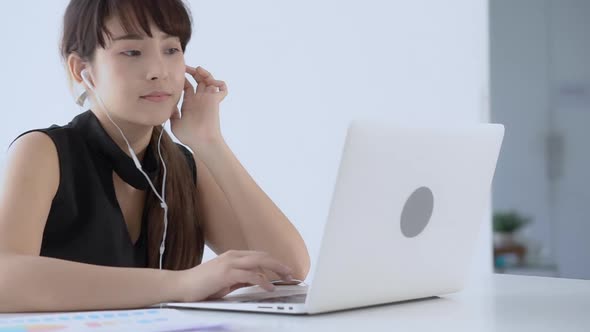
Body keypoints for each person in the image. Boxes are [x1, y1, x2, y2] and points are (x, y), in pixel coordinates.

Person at [0, 0, 309, 313]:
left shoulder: (183, 166)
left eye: (171, 50)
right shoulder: (44, 151)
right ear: (82, 70)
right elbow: (4, 279)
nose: (158, 71)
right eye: (132, 52)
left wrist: (210, 142)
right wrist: (183, 284)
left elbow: (288, 270)